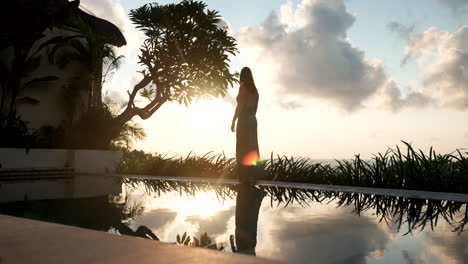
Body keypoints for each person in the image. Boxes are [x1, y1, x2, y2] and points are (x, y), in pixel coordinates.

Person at [231, 67, 264, 182]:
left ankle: (244, 175)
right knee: (252, 146)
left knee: (242, 146)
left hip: (244, 118)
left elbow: (240, 106)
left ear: (242, 76)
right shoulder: (255, 91)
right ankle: (252, 175)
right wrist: (251, 118)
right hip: (253, 119)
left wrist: (234, 120)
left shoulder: (243, 88)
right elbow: (255, 108)